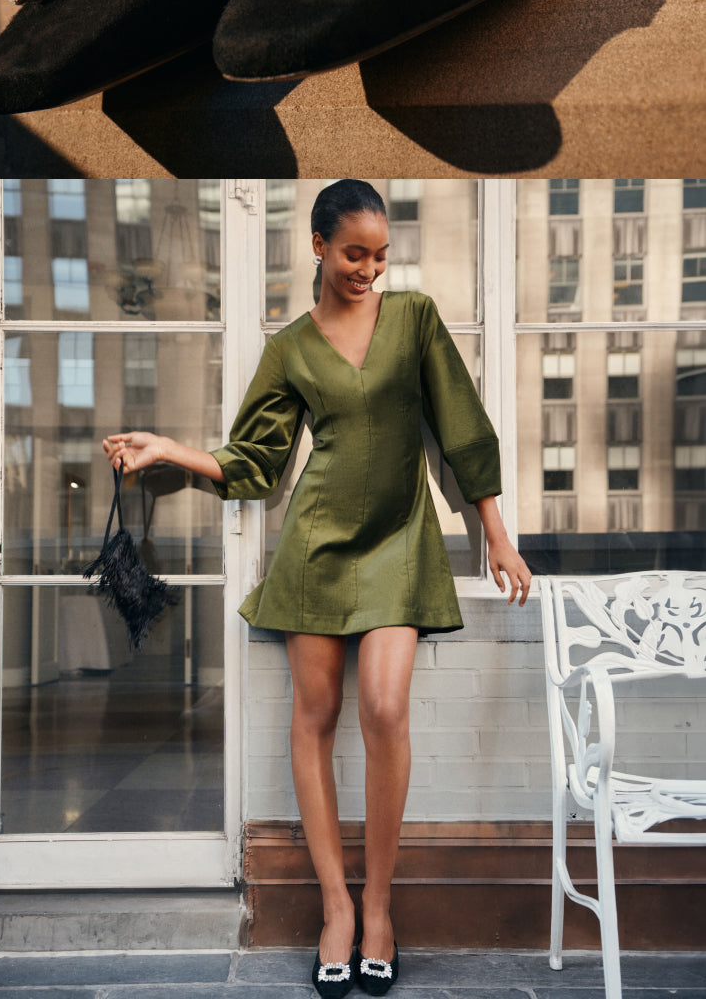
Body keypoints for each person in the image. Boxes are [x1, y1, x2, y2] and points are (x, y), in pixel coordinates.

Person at [104, 180, 532, 997]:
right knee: (315, 716)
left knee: (385, 707)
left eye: (379, 255)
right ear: (318, 245)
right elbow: (256, 463)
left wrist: (497, 536)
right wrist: (168, 449)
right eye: (353, 254)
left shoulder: (414, 321)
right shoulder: (292, 346)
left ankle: (380, 905)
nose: (369, 269)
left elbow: (461, 424)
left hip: (401, 542)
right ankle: (336, 907)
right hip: (316, 547)